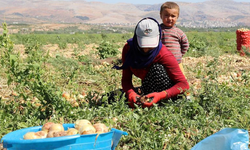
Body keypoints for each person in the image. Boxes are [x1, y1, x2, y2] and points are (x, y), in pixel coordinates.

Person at [113, 17, 189, 108]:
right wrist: (131, 93)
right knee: (112, 97)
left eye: (150, 47)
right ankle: (146, 99)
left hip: (166, 91)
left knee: (157, 68)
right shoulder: (129, 50)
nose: (146, 50)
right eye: (142, 46)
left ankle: (159, 102)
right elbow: (126, 79)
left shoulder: (163, 54)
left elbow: (183, 84)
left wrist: (161, 95)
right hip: (148, 87)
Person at [160, 2, 189, 75]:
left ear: (177, 17)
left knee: (181, 81)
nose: (169, 18)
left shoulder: (179, 32)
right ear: (161, 15)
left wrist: (179, 55)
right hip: (161, 63)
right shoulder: (158, 30)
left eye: (173, 16)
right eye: (166, 15)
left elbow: (185, 44)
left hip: (176, 62)